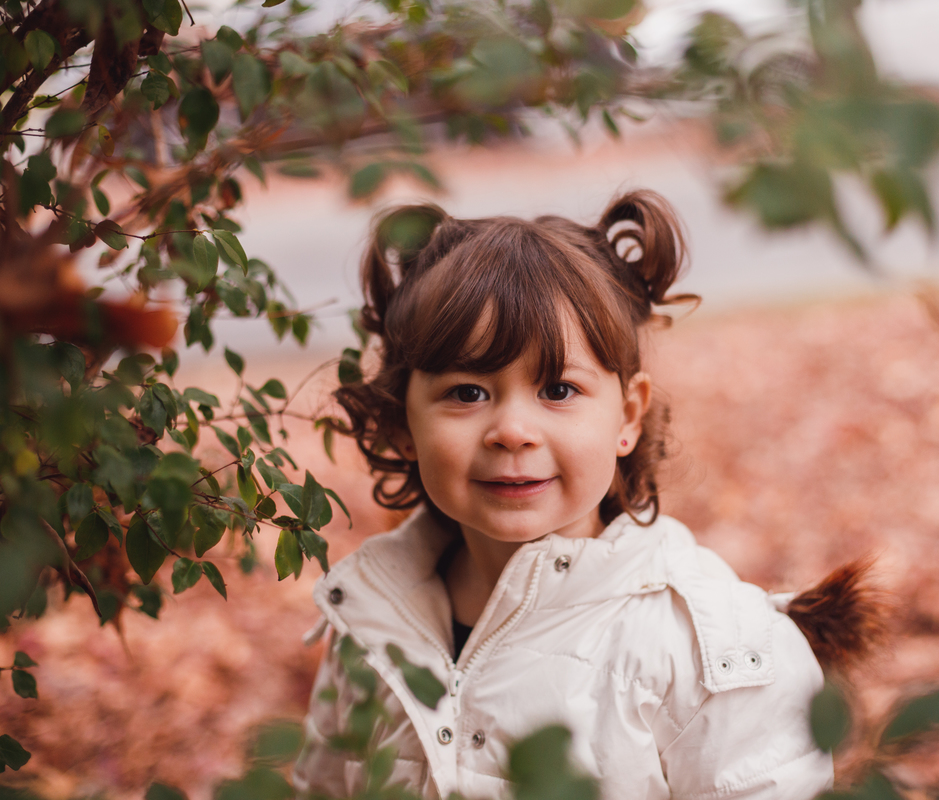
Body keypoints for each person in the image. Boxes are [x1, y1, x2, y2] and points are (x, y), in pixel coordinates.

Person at [292, 191, 836, 799]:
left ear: (627, 416)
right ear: (402, 424)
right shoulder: (371, 616)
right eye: (467, 393)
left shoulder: (707, 651)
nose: (513, 432)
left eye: (557, 389)